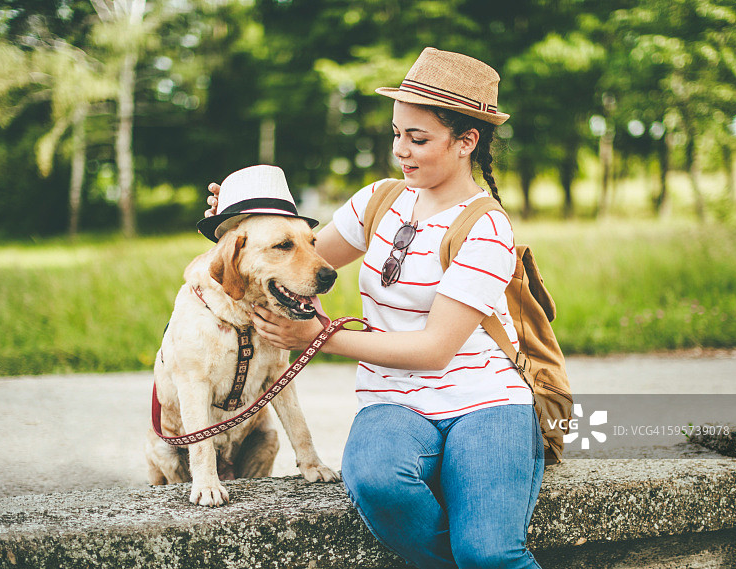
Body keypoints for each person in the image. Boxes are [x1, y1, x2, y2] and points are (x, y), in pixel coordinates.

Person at [205, 47, 544, 569]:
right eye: (396, 134)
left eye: (418, 138)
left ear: (466, 142)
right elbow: (289, 256)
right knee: (376, 482)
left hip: (485, 402)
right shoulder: (380, 201)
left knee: (488, 553)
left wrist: (316, 337)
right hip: (393, 402)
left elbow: (435, 350)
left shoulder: (486, 228)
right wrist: (239, 224)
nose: (400, 151)